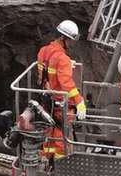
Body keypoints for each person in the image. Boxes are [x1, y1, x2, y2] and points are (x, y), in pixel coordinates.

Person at [36, 20, 86, 158]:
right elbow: (66, 83)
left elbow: (45, 73)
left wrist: (66, 64)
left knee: (49, 134)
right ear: (64, 39)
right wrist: (79, 101)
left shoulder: (43, 51)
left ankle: (47, 161)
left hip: (46, 100)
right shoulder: (62, 58)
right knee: (61, 140)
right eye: (71, 41)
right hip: (60, 105)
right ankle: (60, 164)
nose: (72, 44)